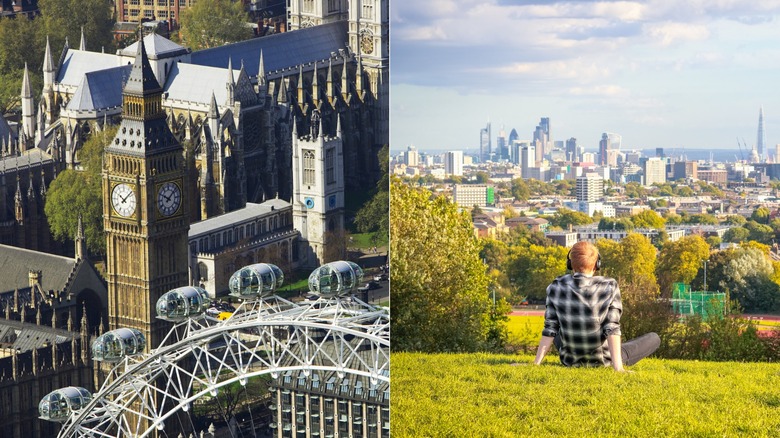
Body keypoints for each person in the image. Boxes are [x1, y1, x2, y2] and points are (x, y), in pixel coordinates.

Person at [533, 241, 660, 371]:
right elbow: (612, 328)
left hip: (570, 360)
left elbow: (550, 328)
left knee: (557, 329)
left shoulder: (556, 285)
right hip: (603, 360)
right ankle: (616, 359)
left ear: (570, 264)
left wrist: (536, 363)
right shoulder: (609, 285)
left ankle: (553, 357)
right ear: (596, 264)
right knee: (654, 338)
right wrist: (619, 368)